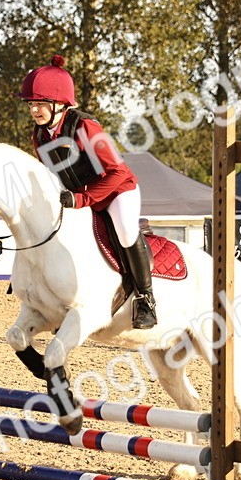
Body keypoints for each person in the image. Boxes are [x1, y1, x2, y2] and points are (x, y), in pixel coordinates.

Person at [19, 54, 157, 329]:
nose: (35, 110)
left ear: (60, 103)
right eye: (32, 104)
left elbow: (116, 173)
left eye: (40, 104)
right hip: (80, 198)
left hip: (117, 192)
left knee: (126, 232)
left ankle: (145, 299)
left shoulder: (84, 126)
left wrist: (81, 198)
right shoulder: (40, 134)